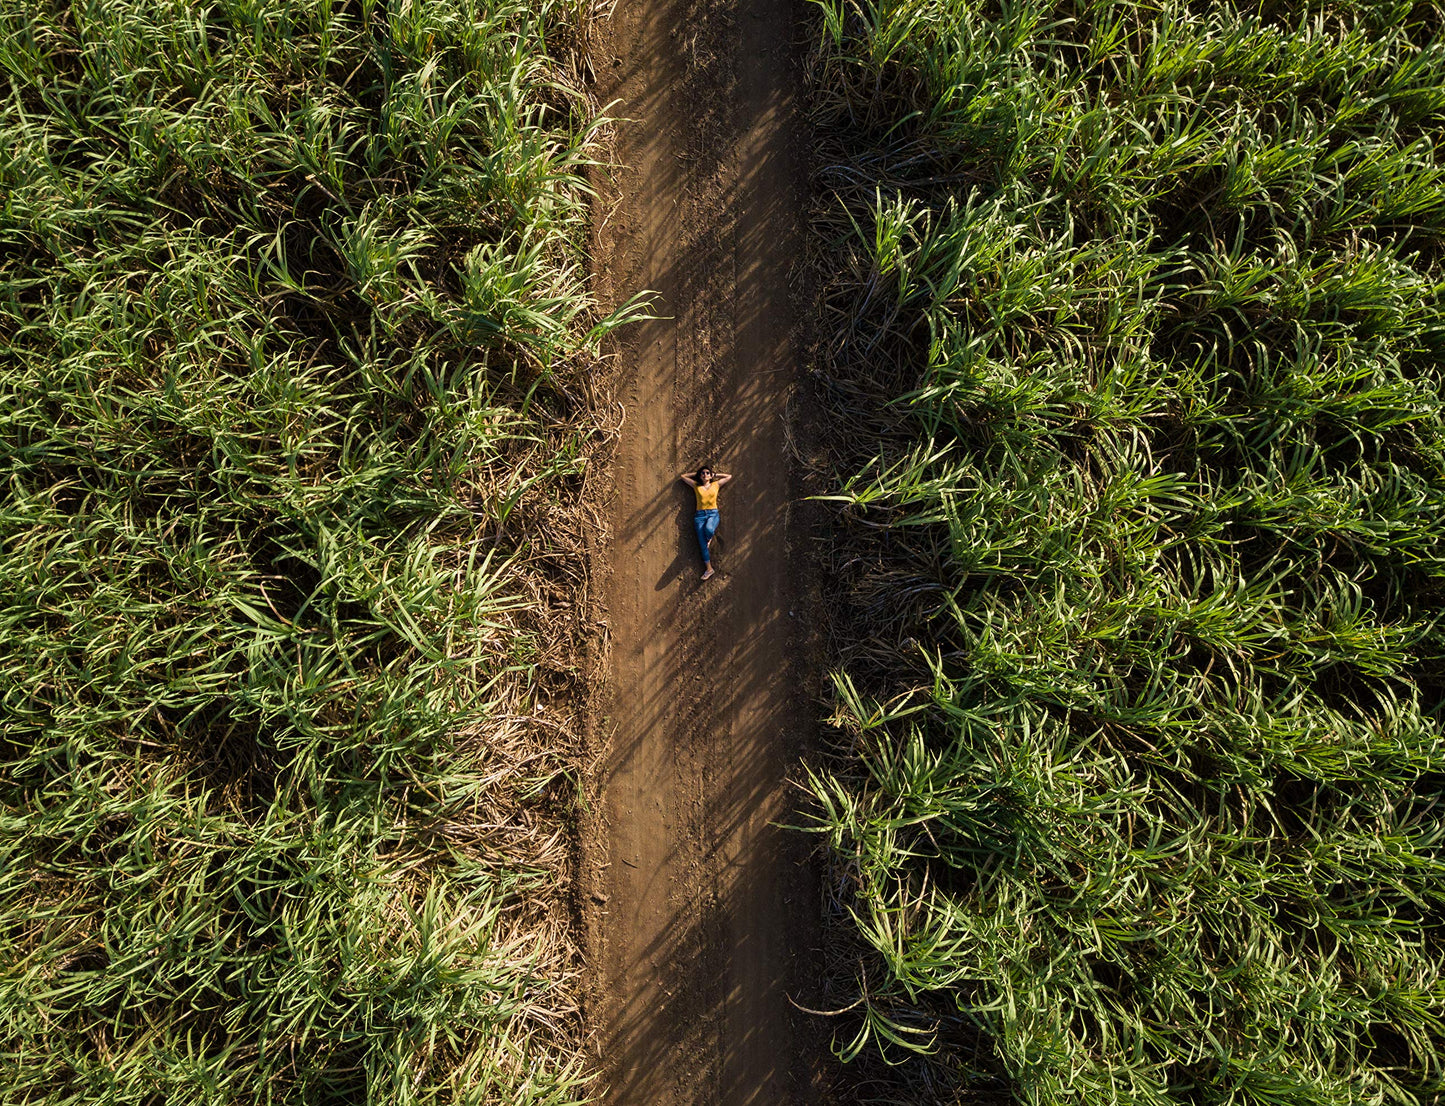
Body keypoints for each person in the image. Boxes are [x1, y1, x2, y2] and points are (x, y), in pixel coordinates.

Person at [679, 465, 732, 580]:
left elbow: (729, 476)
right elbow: (683, 476)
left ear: (710, 475)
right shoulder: (696, 485)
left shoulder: (716, 484)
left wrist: (715, 475)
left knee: (709, 529)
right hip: (699, 516)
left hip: (713, 514)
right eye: (702, 473)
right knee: (702, 545)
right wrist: (696, 474)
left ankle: (709, 538)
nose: (705, 475)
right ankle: (709, 569)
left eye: (707, 473)